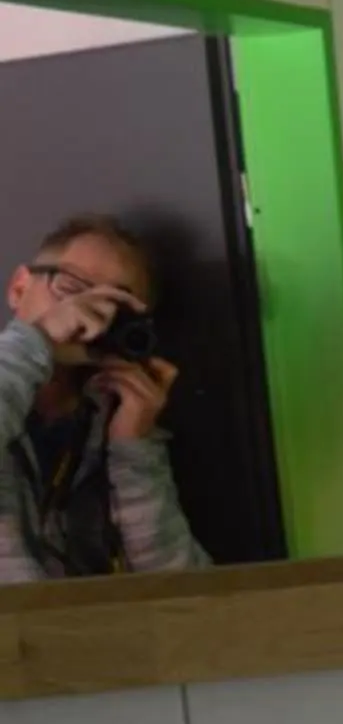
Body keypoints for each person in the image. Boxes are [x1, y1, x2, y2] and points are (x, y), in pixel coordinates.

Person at [0, 213, 207, 580]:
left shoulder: (102, 420)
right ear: (18, 288)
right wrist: (41, 339)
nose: (89, 311)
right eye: (71, 286)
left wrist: (133, 448)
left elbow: (185, 589)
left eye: (117, 304)